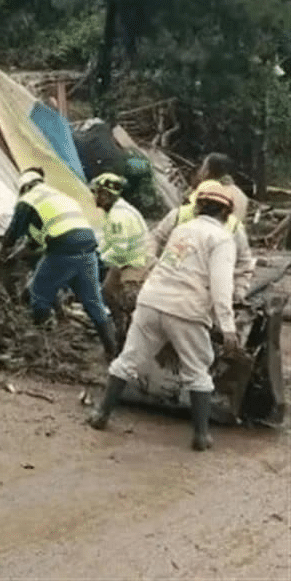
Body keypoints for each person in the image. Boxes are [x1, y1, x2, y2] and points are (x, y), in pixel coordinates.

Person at [87, 181, 240, 451]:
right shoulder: (222, 239)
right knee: (197, 371)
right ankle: (201, 435)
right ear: (227, 213)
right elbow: (221, 285)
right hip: (187, 310)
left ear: (198, 206)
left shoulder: (182, 229)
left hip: (152, 300)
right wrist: (227, 326)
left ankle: (102, 413)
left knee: (128, 359)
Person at [0, 168, 118, 359]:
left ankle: (42, 346)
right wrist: (15, 256)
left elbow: (13, 232)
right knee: (93, 302)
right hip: (88, 247)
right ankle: (112, 352)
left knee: (39, 293)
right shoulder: (59, 197)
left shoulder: (29, 199)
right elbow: (34, 242)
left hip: (63, 248)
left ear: (24, 187)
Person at [151, 180, 254, 302]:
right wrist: (152, 264)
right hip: (173, 276)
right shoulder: (178, 215)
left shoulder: (234, 227)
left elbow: (244, 261)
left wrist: (239, 289)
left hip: (209, 284)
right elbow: (155, 239)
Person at [91, 173, 154, 344]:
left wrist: (98, 259)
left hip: (135, 264)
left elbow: (119, 249)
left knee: (130, 303)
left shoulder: (118, 216)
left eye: (96, 192)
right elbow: (108, 240)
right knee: (108, 291)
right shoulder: (116, 210)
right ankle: (120, 330)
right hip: (125, 260)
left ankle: (131, 339)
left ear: (105, 194)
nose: (94, 196)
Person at [189, 153, 248, 223]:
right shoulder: (241, 195)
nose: (200, 171)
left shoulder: (205, 191)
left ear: (207, 171)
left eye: (203, 167)